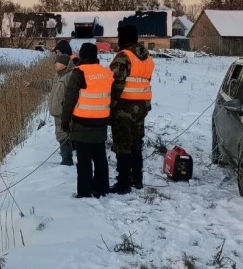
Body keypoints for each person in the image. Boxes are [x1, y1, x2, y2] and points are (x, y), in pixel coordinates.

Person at [61, 43, 113, 198]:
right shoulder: (106, 72)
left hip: (82, 122)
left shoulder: (79, 72)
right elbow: (112, 97)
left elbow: (70, 99)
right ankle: (102, 188)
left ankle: (84, 192)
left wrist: (65, 121)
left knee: (84, 161)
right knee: (100, 157)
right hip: (101, 121)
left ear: (82, 56)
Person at [109, 24, 155, 194]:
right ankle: (137, 179)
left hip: (124, 107)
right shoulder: (147, 57)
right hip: (142, 106)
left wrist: (110, 107)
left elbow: (115, 85)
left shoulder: (124, 56)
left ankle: (123, 183)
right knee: (136, 143)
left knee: (122, 144)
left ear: (124, 37)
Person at [27, 54, 75, 165]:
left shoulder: (69, 76)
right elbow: (47, 84)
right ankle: (68, 156)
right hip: (58, 113)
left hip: (64, 113)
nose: (55, 64)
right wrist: (33, 84)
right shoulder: (58, 76)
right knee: (63, 135)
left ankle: (67, 161)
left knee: (63, 136)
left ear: (63, 64)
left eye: (57, 63)